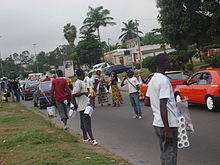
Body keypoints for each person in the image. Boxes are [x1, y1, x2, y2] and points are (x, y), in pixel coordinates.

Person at [145, 53, 178, 165]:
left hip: (158, 122)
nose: (171, 63)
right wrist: (167, 129)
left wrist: (157, 108)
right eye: (169, 61)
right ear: (163, 64)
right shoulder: (164, 81)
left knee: (164, 153)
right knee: (170, 154)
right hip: (168, 124)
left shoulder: (153, 79)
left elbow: (147, 101)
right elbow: (163, 105)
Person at [72, 69, 98, 145]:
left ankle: (85, 137)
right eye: (83, 74)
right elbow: (74, 94)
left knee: (83, 124)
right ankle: (92, 139)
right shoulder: (78, 83)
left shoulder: (82, 82)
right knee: (87, 123)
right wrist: (83, 93)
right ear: (81, 74)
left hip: (84, 105)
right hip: (83, 106)